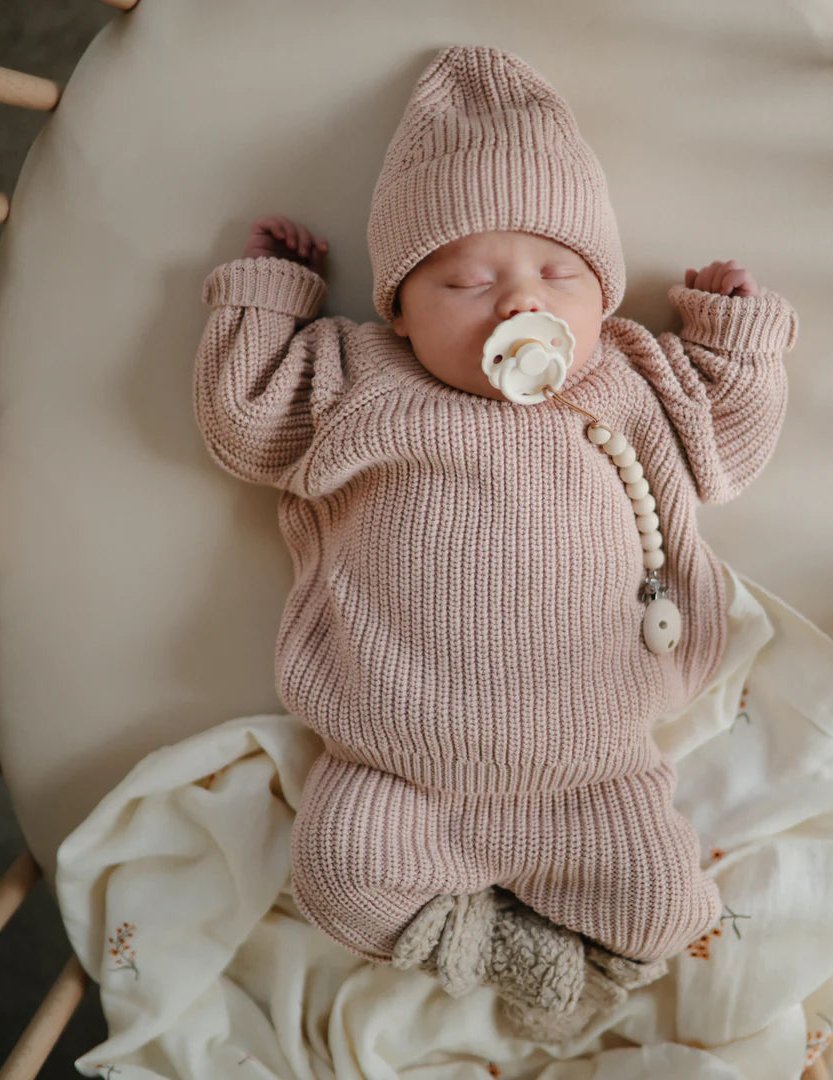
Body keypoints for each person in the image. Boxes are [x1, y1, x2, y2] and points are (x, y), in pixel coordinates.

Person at [194, 45, 798, 1042]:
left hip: (595, 763)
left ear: (601, 297)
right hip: (395, 759)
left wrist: (733, 334)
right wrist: (271, 295)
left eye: (560, 273)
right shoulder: (363, 380)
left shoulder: (627, 380)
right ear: (398, 311)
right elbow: (245, 425)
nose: (522, 303)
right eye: (466, 282)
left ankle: (566, 954)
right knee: (340, 878)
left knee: (659, 907)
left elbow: (728, 444)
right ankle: (471, 935)